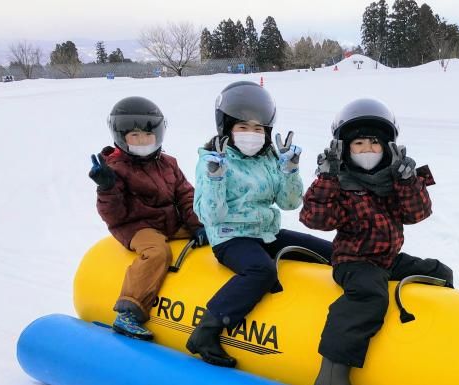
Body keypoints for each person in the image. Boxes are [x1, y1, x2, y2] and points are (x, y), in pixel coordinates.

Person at [300, 98, 453, 385]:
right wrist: (325, 180)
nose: (368, 150)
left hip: (388, 258)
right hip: (353, 260)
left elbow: (417, 214)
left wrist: (409, 181)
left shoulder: (392, 180)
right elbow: (315, 219)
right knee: (370, 295)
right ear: (344, 148)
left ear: (388, 147)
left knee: (439, 272)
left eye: (374, 143)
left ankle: (436, 348)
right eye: (359, 143)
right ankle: (331, 375)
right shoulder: (339, 183)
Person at [186, 81, 333, 368]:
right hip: (230, 236)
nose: (251, 135)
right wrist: (216, 178)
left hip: (266, 232)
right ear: (227, 128)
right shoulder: (213, 161)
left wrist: (289, 170)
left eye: (257, 129)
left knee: (327, 251)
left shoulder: (268, 158)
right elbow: (210, 216)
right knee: (261, 270)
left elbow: (289, 202)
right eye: (243, 127)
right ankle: (206, 331)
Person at [89, 96, 207, 341]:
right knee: (157, 252)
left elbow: (186, 195)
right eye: (135, 136)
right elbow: (114, 214)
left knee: (216, 233)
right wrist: (107, 188)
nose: (143, 141)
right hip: (136, 225)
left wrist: (199, 225)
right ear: (122, 137)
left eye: (147, 135)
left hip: (170, 223)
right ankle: (128, 312)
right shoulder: (115, 169)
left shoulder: (168, 163)